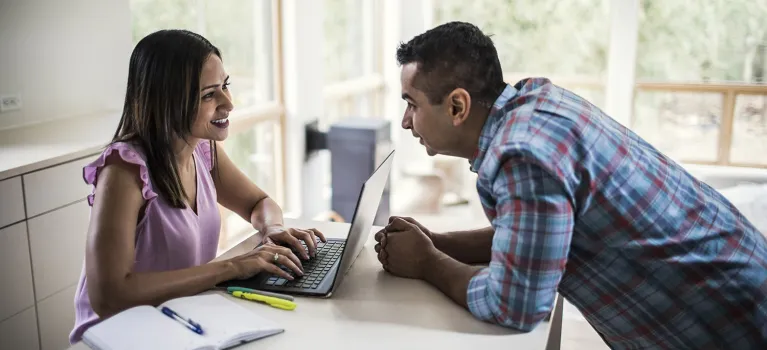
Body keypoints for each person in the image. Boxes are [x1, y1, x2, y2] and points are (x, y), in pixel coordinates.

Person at [374, 21, 767, 349]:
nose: (407, 122)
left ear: (457, 106)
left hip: (732, 320)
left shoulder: (522, 155)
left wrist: (427, 263)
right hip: (736, 285)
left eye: (412, 104)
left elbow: (515, 306)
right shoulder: (534, 103)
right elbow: (534, 235)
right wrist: (436, 241)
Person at [69, 29, 324, 343]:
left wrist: (271, 228)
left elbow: (259, 203)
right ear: (168, 101)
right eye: (209, 94)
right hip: (118, 337)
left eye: (225, 86)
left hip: (179, 322)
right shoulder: (124, 170)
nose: (228, 103)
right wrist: (230, 267)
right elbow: (109, 295)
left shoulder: (203, 150)